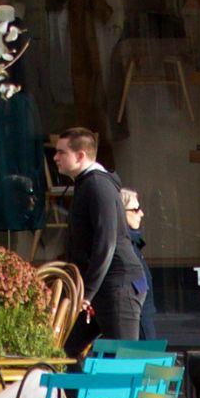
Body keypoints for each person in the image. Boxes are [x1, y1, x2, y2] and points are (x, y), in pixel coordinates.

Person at [53, 127, 149, 340]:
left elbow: (106, 243)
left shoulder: (97, 185)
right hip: (102, 288)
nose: (55, 157)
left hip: (117, 286)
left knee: (124, 360)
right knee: (65, 351)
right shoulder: (87, 184)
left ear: (80, 156)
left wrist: (87, 293)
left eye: (61, 152)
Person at [120, 187, 158, 339]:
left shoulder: (131, 242)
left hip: (142, 311)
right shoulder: (124, 244)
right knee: (149, 357)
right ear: (121, 212)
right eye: (135, 209)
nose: (141, 213)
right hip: (138, 313)